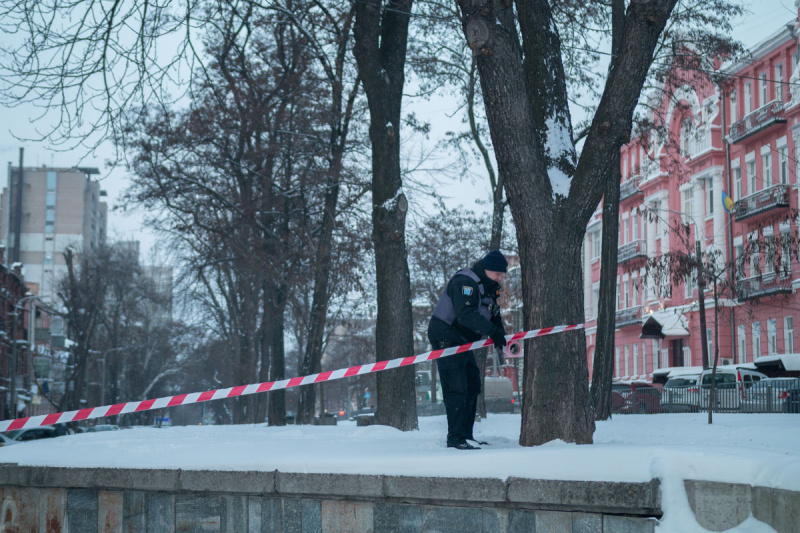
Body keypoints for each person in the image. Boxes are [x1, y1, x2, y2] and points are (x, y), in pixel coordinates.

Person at [427, 250, 508, 450]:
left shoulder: (489, 287)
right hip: (445, 336)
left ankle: (466, 435)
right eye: (498, 274)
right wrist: (491, 332)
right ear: (487, 269)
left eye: (502, 275)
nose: (500, 278)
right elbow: (466, 315)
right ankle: (455, 437)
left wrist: (500, 336)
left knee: (472, 385)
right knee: (456, 387)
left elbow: (494, 315)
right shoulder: (465, 282)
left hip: (462, 341)